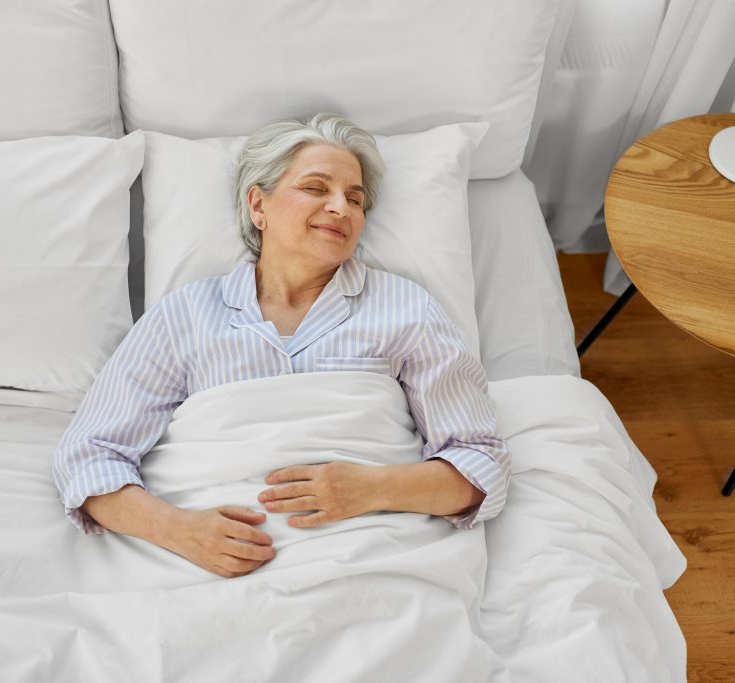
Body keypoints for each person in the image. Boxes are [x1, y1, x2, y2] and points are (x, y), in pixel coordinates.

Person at [53, 113, 510, 579]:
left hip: (369, 556)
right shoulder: (185, 314)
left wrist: (372, 488)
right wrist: (179, 530)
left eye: (356, 199)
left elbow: (479, 463)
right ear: (258, 205)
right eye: (316, 188)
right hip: (206, 566)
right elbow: (90, 456)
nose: (342, 208)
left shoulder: (405, 308)